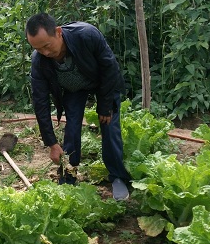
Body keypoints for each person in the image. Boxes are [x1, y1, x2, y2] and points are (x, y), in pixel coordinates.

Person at [25, 12, 131, 201]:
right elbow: (40, 102)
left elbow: (110, 67)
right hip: (74, 88)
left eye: (47, 46)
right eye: (38, 49)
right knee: (72, 127)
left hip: (103, 82)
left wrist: (105, 105)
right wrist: (51, 143)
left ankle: (118, 178)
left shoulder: (86, 35)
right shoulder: (39, 61)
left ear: (58, 32)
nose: (45, 53)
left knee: (109, 125)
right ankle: (69, 176)